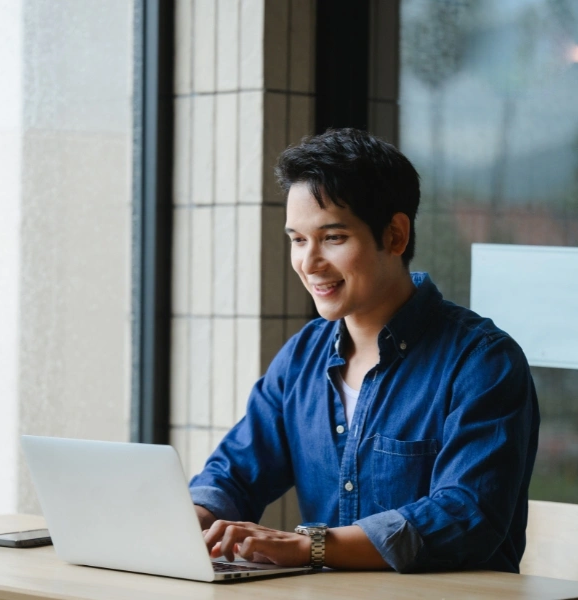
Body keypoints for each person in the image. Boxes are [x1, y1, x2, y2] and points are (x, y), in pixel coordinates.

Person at [189, 128, 540, 573]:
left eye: (332, 238)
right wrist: (191, 523)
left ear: (394, 235)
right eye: (298, 239)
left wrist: (310, 546)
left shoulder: (483, 361)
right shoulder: (303, 358)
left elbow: (464, 515)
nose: (309, 263)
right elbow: (235, 473)